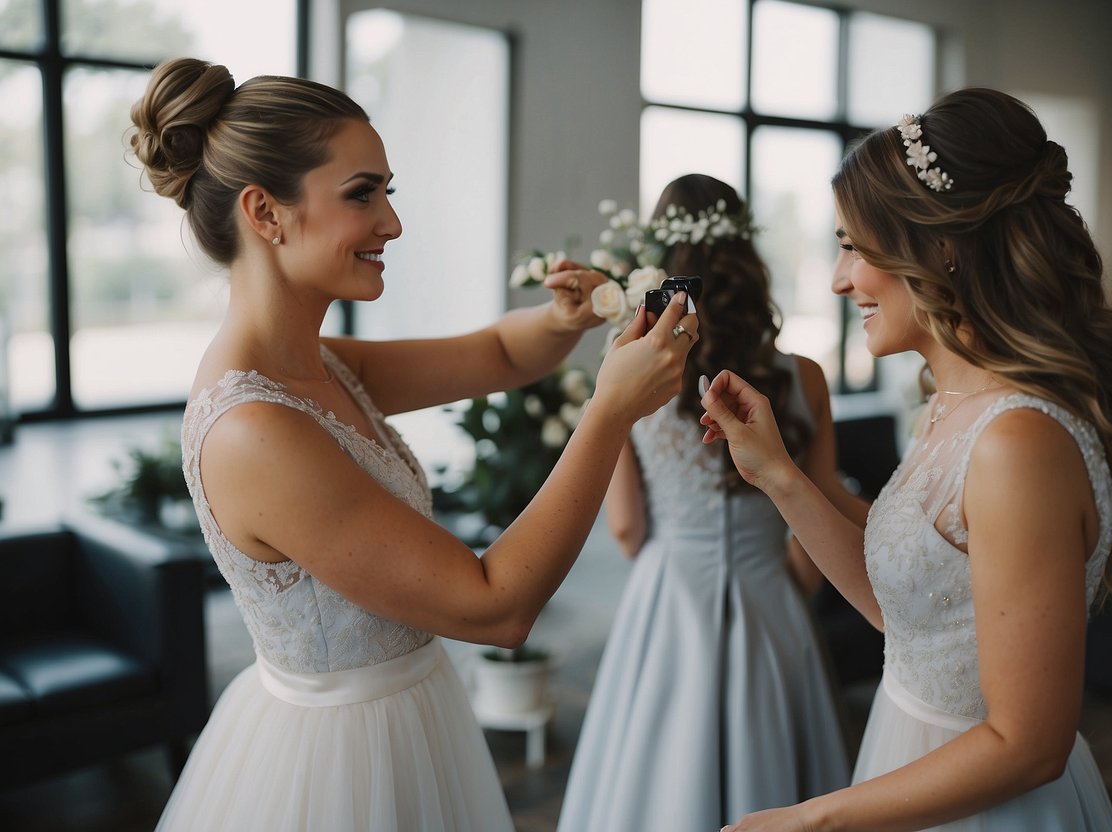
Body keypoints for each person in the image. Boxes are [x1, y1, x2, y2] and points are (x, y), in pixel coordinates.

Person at [128, 58, 698, 832]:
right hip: (334, 770)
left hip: (412, 714)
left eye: (387, 193)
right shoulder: (254, 430)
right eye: (363, 194)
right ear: (265, 213)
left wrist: (567, 319)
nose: (391, 223)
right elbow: (495, 606)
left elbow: (497, 355)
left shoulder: (317, 366)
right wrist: (607, 416)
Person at [701, 88, 1112, 831]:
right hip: (909, 753)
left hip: (988, 804)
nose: (838, 281)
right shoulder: (946, 407)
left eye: (852, 247)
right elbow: (906, 623)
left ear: (939, 247)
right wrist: (777, 474)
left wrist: (809, 820)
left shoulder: (1015, 444)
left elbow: (1028, 744)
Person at [557, 174, 870, 832]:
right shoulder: (803, 378)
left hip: (668, 600)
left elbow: (625, 528)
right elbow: (816, 528)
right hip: (772, 599)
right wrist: (782, 591)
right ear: (745, 259)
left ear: (660, 262)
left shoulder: (630, 377)